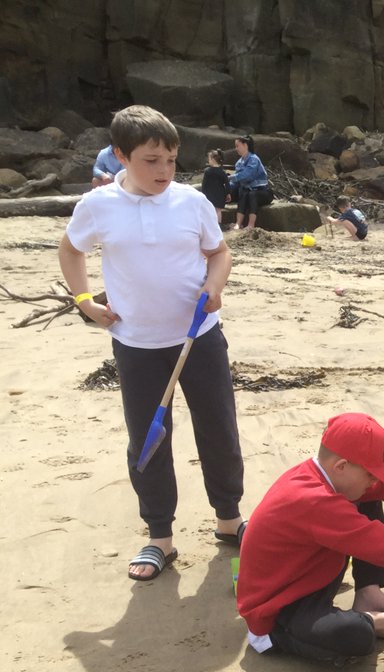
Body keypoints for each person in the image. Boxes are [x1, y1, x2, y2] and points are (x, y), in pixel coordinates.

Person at [58, 104, 244, 581]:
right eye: (151, 160)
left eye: (172, 160)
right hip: (136, 343)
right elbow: (71, 249)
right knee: (148, 438)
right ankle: (159, 535)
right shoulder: (97, 205)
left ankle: (229, 519)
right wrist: (84, 300)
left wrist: (214, 286)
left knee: (219, 429)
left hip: (197, 338)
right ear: (120, 156)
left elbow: (219, 252)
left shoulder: (191, 202)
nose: (164, 170)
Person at [236, 413, 384, 663]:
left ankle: (368, 595)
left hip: (308, 575)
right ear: (341, 466)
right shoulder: (315, 500)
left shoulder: (330, 475)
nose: (375, 480)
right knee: (356, 635)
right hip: (277, 612)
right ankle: (372, 619)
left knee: (366, 495)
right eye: (371, 473)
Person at [226, 135, 272, 230]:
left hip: (263, 192)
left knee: (252, 194)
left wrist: (230, 178)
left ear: (245, 145)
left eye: (237, 146)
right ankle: (238, 224)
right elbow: (237, 182)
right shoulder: (239, 163)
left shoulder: (254, 159)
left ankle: (251, 225)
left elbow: (247, 175)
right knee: (243, 193)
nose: (236, 148)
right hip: (247, 191)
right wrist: (227, 188)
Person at [200, 149, 229, 217]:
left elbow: (204, 184)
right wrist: (228, 193)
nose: (208, 161)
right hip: (220, 195)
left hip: (209, 194)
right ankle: (218, 223)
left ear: (213, 159)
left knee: (209, 210)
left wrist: (203, 193)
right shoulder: (222, 172)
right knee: (218, 211)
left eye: (209, 159)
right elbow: (227, 183)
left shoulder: (207, 171)